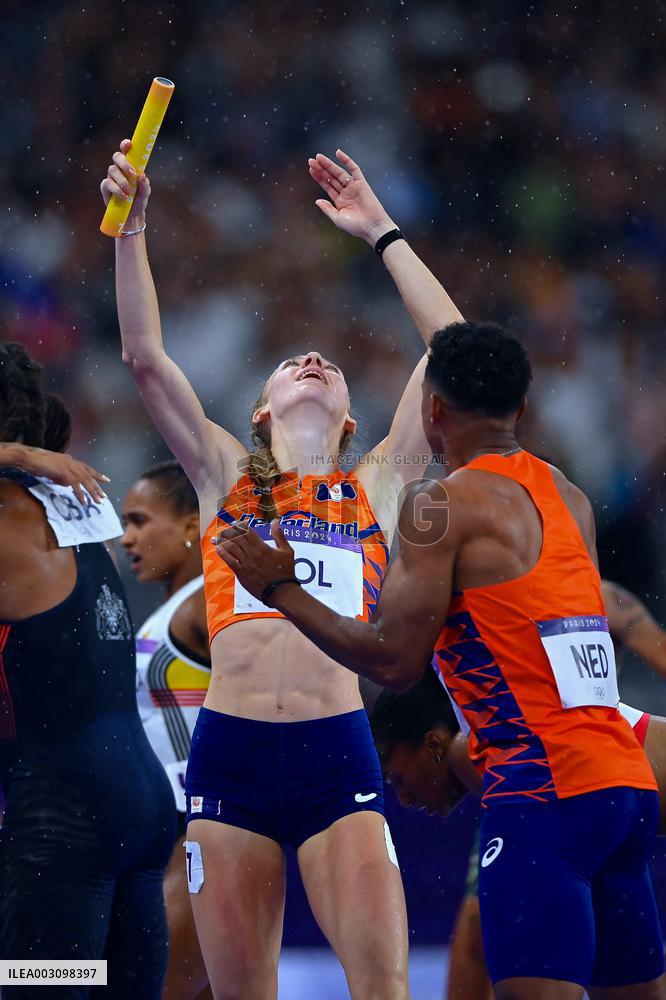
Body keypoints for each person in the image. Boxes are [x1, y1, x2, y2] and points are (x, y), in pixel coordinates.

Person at [101, 138, 466, 999]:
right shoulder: (225, 475)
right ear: (262, 409)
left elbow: (457, 350)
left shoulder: (376, 481)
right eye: (292, 364)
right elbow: (145, 358)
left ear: (346, 419)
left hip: (335, 755)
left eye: (330, 368)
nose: (314, 361)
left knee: (385, 988)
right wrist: (132, 229)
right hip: (228, 762)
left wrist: (382, 232)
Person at [218, 321, 666, 999]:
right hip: (625, 791)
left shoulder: (435, 506)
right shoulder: (569, 496)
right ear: (520, 408)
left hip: (545, 795)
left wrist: (281, 589)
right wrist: (385, 236)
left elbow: (394, 665)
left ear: (432, 412)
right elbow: (601, 613)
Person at [0, 343, 175, 998]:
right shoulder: (65, 506)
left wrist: (11, 455)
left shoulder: (7, 513)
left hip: (64, 822)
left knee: (39, 994)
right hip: (139, 809)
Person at [369, 668, 666, 999]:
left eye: (397, 779)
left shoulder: (469, 748)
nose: (405, 800)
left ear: (432, 744)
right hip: (626, 797)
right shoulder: (517, 714)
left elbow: (476, 928)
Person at [121, 460, 211, 1000]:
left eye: (139, 520)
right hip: (167, 835)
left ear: (190, 525)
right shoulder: (168, 612)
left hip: (199, 834)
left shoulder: (208, 603)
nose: (127, 537)